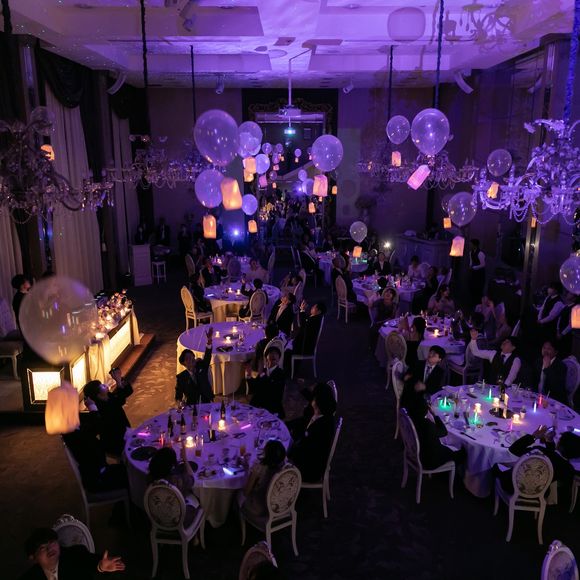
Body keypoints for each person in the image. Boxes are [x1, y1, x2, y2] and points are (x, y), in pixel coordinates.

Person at [492, 425, 577, 494]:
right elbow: (554, 459)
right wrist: (549, 442)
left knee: (493, 462)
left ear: (561, 446)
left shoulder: (538, 451)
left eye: (559, 439)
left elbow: (513, 450)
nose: (557, 440)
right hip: (539, 492)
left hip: (512, 486)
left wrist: (534, 436)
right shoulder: (569, 469)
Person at [403, 380, 465, 470]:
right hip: (429, 460)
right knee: (462, 454)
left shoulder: (413, 419)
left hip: (419, 452)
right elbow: (444, 432)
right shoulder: (427, 424)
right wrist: (435, 415)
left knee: (448, 449)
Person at [20, 527, 125, 579]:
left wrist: (101, 567)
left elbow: (91, 563)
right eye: (42, 547)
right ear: (33, 558)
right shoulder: (30, 576)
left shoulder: (75, 554)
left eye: (52, 542)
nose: (50, 548)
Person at [62, 412, 128, 493]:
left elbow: (97, 422)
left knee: (128, 468)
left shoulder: (74, 424)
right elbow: (98, 426)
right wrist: (93, 409)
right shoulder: (73, 433)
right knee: (132, 475)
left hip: (101, 471)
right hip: (97, 478)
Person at [288, 382, 336, 482]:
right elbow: (303, 421)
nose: (311, 401)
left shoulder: (323, 426)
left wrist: (288, 451)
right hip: (305, 456)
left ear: (318, 402)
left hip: (309, 470)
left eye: (313, 398)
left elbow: (307, 452)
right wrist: (286, 425)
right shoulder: (319, 413)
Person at [83, 369, 133, 456]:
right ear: (98, 394)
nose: (105, 385)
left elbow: (126, 393)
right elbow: (96, 428)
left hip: (125, 432)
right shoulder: (99, 409)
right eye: (101, 386)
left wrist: (119, 381)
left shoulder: (109, 396)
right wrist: (92, 408)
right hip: (115, 442)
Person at [240, 440, 286, 522]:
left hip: (260, 509)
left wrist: (247, 469)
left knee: (238, 495)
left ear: (267, 455)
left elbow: (246, 492)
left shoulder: (260, 469)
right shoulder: (285, 468)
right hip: (280, 506)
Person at [148, 444, 199, 511]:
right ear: (171, 466)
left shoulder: (149, 477)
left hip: (158, 511)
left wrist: (164, 453)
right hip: (177, 513)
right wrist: (185, 459)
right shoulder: (176, 480)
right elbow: (192, 478)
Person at [175, 327, 214, 404]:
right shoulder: (181, 377)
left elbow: (207, 356)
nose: (191, 359)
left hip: (206, 402)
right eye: (188, 358)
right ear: (184, 363)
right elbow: (178, 396)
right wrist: (180, 402)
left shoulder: (201, 366)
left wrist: (209, 342)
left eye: (192, 356)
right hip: (192, 405)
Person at [246, 347, 286, 418]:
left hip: (272, 406)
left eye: (276, 354)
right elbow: (254, 388)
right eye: (271, 353)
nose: (273, 355)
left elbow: (272, 390)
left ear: (279, 359)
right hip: (259, 404)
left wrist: (261, 374)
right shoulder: (263, 370)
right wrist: (249, 375)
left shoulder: (281, 373)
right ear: (266, 358)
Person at [535, 339, 568, 403]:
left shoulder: (561, 366)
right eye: (544, 348)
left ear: (556, 352)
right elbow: (534, 380)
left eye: (549, 349)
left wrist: (547, 368)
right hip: (537, 397)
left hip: (554, 400)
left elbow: (557, 387)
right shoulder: (538, 361)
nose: (545, 351)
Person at [468, 239, 486, 305]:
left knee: (478, 288)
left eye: (471, 244)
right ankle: (472, 302)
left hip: (480, 273)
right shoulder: (471, 252)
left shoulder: (480, 253)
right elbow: (471, 261)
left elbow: (483, 264)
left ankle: (478, 303)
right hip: (473, 273)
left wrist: (474, 267)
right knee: (472, 286)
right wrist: (470, 266)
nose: (470, 245)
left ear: (475, 245)